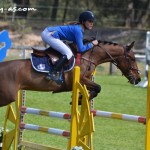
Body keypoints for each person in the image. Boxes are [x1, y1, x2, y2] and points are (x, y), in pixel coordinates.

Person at [41, 10, 98, 81]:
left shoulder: (79, 29)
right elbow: (81, 49)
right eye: (89, 21)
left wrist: (87, 40)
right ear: (83, 22)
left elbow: (76, 44)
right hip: (49, 35)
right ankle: (52, 73)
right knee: (68, 53)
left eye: (92, 21)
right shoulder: (78, 30)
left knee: (67, 52)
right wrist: (92, 44)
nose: (91, 23)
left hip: (48, 33)